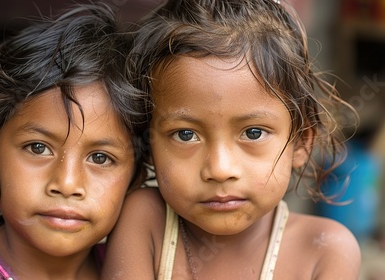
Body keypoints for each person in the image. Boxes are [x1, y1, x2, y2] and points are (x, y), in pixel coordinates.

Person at [101, 0, 361, 279]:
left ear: (300, 142)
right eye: (186, 135)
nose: (220, 169)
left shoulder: (324, 250)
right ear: (149, 144)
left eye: (253, 133)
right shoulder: (145, 221)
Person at [0, 3, 148, 279]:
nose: (67, 184)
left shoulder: (129, 267)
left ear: (134, 179)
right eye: (38, 148)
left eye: (100, 157)